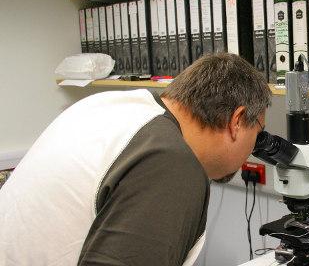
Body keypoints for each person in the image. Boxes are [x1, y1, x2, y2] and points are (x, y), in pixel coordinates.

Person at [0, 53, 272, 266]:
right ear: (237, 121)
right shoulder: (171, 162)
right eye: (257, 132)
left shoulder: (108, 107)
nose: (251, 149)